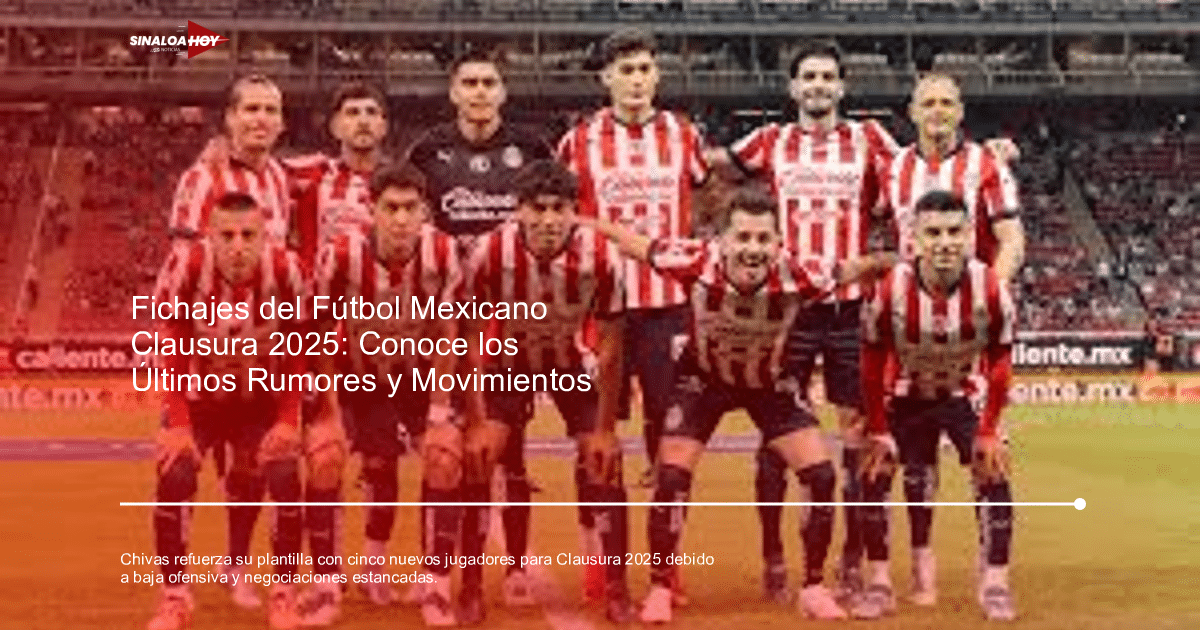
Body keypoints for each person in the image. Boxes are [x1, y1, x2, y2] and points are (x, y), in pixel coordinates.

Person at [588, 188, 895, 622]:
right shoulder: (693, 259)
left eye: (763, 239)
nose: (752, 249)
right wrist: (583, 224)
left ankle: (811, 586)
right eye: (743, 238)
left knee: (821, 475)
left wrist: (898, 259)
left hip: (768, 381)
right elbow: (630, 242)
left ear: (778, 243)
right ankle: (660, 587)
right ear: (723, 240)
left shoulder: (802, 273)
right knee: (672, 474)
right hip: (703, 379)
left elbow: (855, 267)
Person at [711, 39, 899, 605]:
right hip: (786, 309)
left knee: (858, 435)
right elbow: (709, 166)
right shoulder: (771, 141)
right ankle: (773, 553)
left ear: (841, 87)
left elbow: (918, 175)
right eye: (808, 77)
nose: (818, 85)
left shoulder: (870, 140)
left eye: (827, 77)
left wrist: (989, 150)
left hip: (849, 311)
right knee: (775, 437)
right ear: (793, 88)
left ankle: (850, 555)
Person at [557, 28, 710, 602]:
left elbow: (705, 189)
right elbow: (564, 212)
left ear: (657, 75)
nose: (638, 80)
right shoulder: (579, 141)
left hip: (669, 307)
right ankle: (598, 553)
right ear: (606, 79)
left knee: (668, 440)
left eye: (646, 69)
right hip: (602, 308)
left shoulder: (683, 134)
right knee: (594, 434)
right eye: (626, 70)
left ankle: (666, 565)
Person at [405, 48, 555, 609]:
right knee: (444, 447)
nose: (479, 91)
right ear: (453, 91)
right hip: (445, 319)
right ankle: (437, 568)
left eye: (489, 82)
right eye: (468, 82)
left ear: (503, 91)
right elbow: (410, 217)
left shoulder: (532, 149)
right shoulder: (427, 151)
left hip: (511, 320)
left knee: (509, 448)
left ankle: (515, 564)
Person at [459, 159, 634, 624]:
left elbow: (614, 345)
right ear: (518, 211)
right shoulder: (489, 253)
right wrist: (475, 422)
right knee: (479, 458)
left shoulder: (601, 256)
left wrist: (605, 429)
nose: (549, 220)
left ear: (574, 211)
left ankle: (616, 584)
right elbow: (472, 339)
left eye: (560, 209)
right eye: (538, 209)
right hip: (508, 362)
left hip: (572, 364)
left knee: (604, 462)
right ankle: (473, 584)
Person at [144, 192, 318, 630]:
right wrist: (178, 425)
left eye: (248, 235)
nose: (238, 245)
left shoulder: (287, 271)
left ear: (265, 236)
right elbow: (172, 346)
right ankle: (174, 596)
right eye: (227, 235)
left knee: (281, 474)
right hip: (199, 399)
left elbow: (299, 350)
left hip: (259, 398)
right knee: (175, 472)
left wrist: (286, 419)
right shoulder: (186, 267)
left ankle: (282, 594)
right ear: (209, 236)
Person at [311, 163, 470, 627]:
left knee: (443, 455)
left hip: (417, 374)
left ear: (425, 211)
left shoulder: (442, 252)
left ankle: (436, 585)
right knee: (330, 457)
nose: (401, 219)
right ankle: (333, 582)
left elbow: (448, 331)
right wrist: (329, 410)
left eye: (411, 208)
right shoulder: (340, 255)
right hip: (358, 375)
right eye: (391, 208)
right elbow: (317, 331)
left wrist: (440, 409)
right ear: (371, 209)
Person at [856, 190, 1018, 621]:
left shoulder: (991, 288)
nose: (944, 242)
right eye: (933, 232)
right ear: (915, 238)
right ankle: (880, 583)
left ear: (968, 235)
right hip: (905, 394)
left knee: (994, 469)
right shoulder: (890, 289)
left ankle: (996, 583)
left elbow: (1001, 360)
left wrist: (988, 429)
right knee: (874, 473)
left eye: (953, 231)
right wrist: (877, 427)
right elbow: (871, 363)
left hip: (964, 394)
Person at [881, 72, 1025, 283]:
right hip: (912, 304)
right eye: (928, 104)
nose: (937, 111)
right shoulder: (894, 168)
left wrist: (990, 294)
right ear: (913, 113)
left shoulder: (987, 164)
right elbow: (885, 238)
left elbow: (1012, 241)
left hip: (972, 301)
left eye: (946, 103)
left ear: (959, 112)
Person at [169, 75, 291, 245]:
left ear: (281, 123)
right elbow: (183, 256)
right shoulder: (202, 177)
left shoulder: (279, 174)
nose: (262, 119)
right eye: (251, 109)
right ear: (230, 117)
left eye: (271, 110)